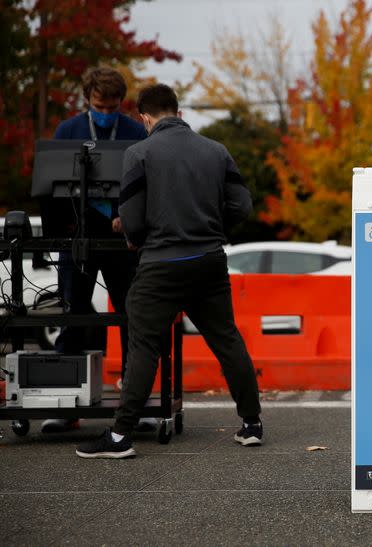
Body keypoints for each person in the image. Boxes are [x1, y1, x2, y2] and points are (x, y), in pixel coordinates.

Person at [76, 84, 262, 458]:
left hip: (160, 263)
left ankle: (120, 436)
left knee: (145, 343)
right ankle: (251, 424)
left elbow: (130, 217)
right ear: (178, 113)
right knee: (226, 339)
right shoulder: (216, 151)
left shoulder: (139, 152)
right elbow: (241, 206)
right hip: (209, 260)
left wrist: (131, 231)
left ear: (144, 118)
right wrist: (209, 224)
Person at [43, 67, 145, 434]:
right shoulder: (68, 131)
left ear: (122, 103)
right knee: (74, 315)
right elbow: (51, 187)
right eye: (100, 105)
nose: (107, 111)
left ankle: (136, 403)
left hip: (123, 240)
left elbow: (143, 185)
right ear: (88, 100)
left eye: (113, 105)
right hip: (77, 238)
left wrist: (127, 216)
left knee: (132, 316)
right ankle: (65, 405)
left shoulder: (134, 131)